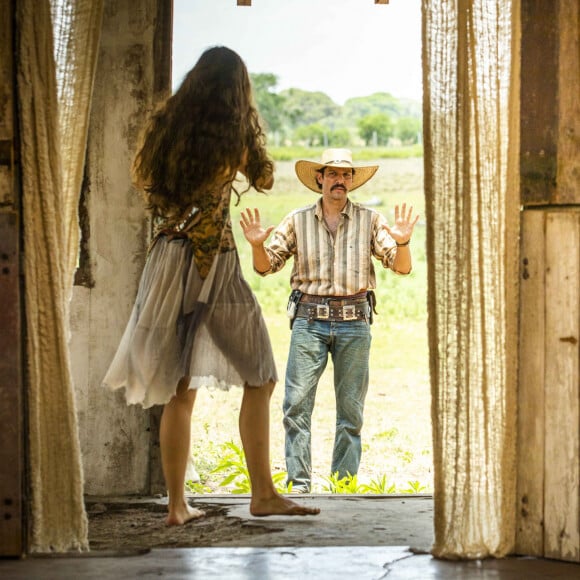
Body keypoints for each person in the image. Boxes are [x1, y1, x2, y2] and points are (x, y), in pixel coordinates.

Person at [103, 46, 319, 523]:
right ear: (236, 92)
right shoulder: (234, 137)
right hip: (210, 263)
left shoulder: (166, 133)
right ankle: (261, 494)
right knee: (260, 377)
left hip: (165, 261)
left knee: (180, 391)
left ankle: (177, 506)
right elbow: (262, 177)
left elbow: (151, 186)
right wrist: (249, 127)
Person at [240, 148, 419, 493]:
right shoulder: (297, 220)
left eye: (346, 175)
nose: (341, 181)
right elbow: (265, 267)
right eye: (333, 174)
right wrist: (256, 246)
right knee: (296, 406)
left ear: (352, 180)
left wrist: (404, 240)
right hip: (309, 320)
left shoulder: (370, 220)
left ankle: (344, 486)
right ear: (319, 178)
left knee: (351, 413)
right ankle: (299, 485)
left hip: (355, 320)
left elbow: (402, 266)